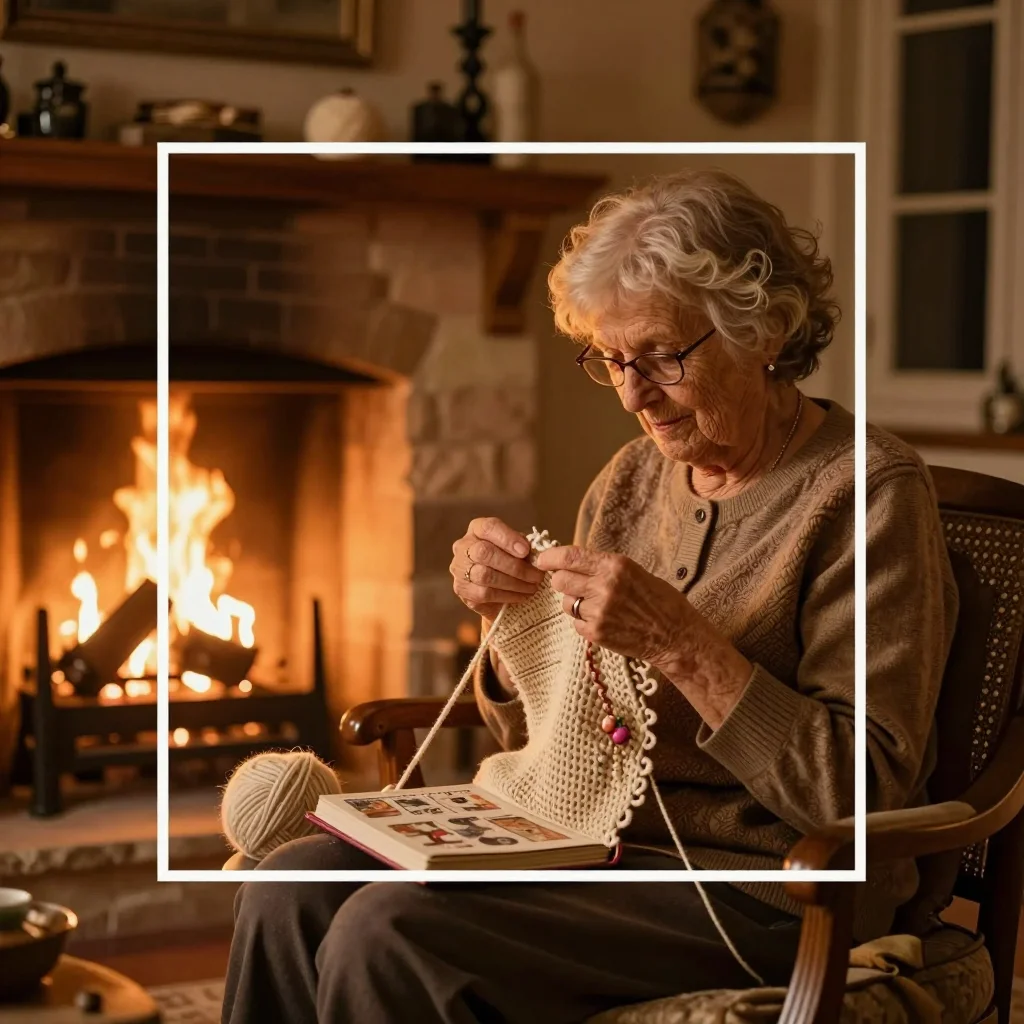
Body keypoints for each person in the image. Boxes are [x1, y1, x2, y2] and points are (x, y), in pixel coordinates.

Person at [222, 169, 958, 1024]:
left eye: (663, 356)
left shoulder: (867, 494)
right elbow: (552, 733)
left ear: (764, 328)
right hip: (584, 839)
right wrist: (505, 628)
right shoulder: (632, 481)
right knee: (287, 887)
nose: (635, 394)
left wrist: (686, 647)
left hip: (766, 890)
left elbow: (861, 798)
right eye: (611, 361)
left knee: (389, 932)